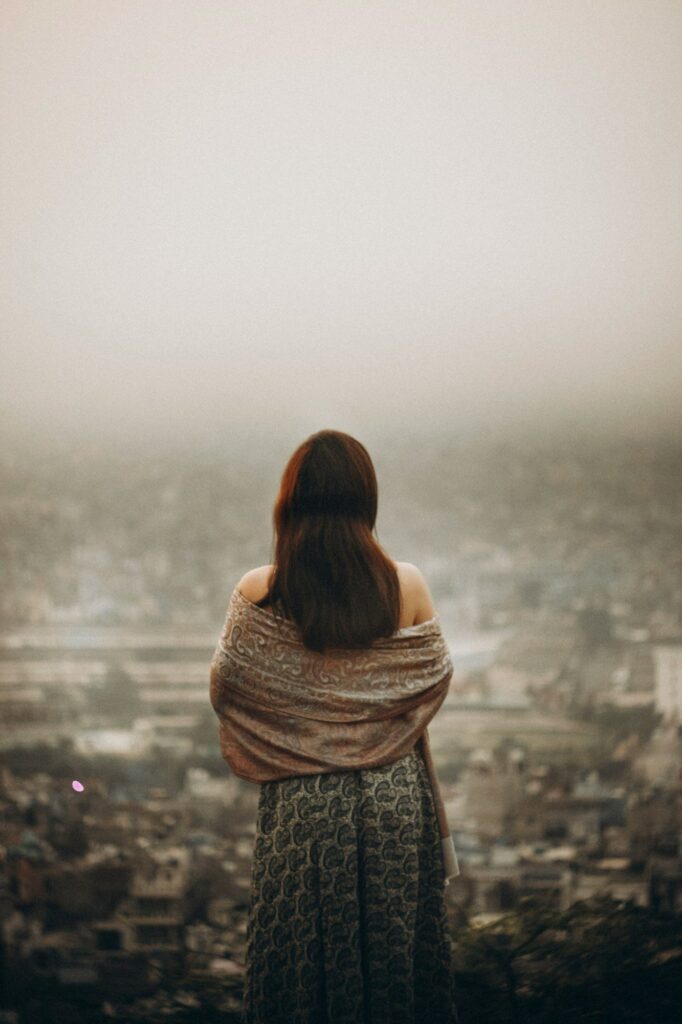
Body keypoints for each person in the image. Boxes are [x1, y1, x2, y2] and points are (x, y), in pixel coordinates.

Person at [209, 428, 460, 1024]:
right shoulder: (408, 585)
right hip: (395, 796)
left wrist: (306, 718)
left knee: (299, 967)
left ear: (290, 501)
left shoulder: (260, 590)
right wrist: (364, 707)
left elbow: (226, 691)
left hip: (302, 800)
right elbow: (431, 681)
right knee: (397, 962)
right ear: (366, 499)